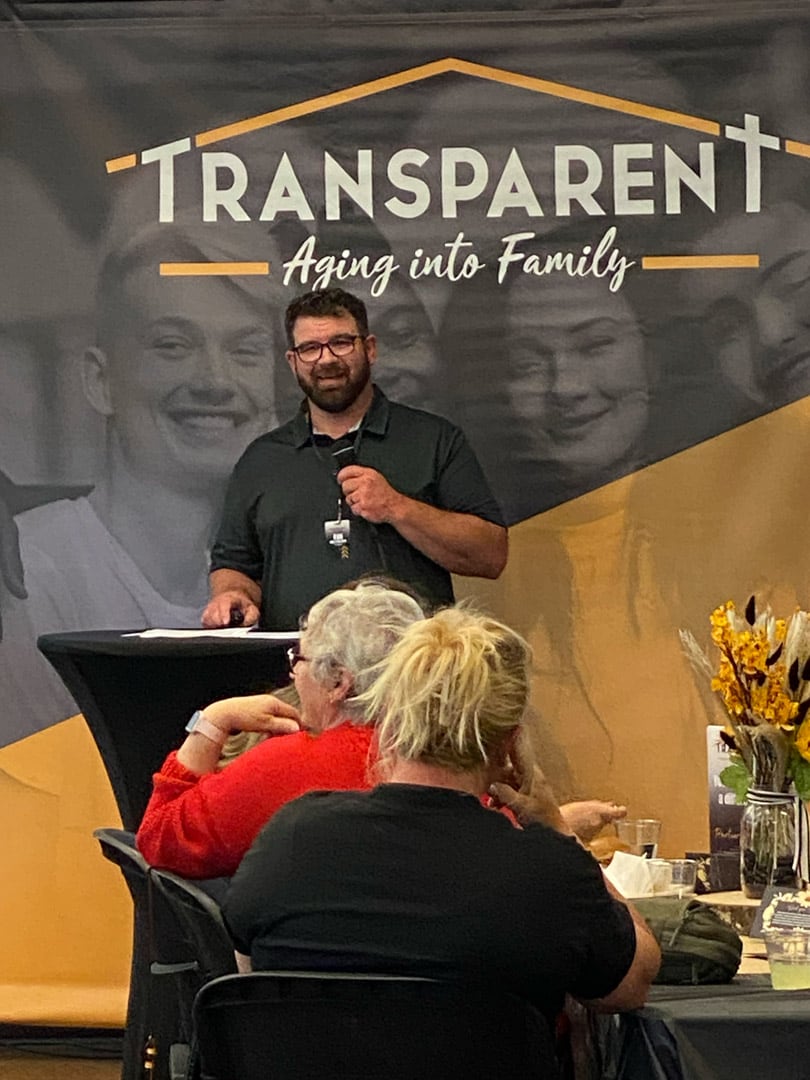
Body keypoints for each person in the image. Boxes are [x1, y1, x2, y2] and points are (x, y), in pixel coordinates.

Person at [225, 606, 659, 1028]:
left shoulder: (291, 836)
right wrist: (560, 831)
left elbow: (248, 975)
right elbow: (631, 984)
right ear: (510, 746)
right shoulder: (547, 870)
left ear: (390, 724)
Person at [0, 220, 283, 741]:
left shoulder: (293, 561)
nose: (215, 382)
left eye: (245, 350)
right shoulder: (29, 576)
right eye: (173, 345)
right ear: (99, 380)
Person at [203, 287, 507, 631]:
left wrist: (397, 507)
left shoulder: (434, 439)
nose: (327, 359)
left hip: (410, 671)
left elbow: (490, 554)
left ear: (370, 348)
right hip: (297, 671)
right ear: (293, 361)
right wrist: (233, 595)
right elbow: (233, 564)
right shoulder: (261, 459)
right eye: (310, 348)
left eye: (341, 343)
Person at [137, 580, 427, 878]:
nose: (293, 671)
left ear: (339, 683)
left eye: (298, 658)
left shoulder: (285, 765)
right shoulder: (453, 761)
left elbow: (160, 842)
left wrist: (211, 722)